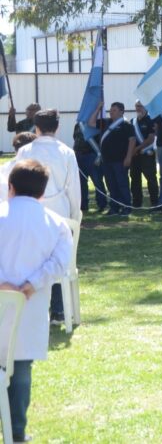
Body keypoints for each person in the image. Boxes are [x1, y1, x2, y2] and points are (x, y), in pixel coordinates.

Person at [0, 159, 74, 444]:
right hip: (29, 306)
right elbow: (60, 263)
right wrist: (31, 285)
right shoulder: (55, 223)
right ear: (43, 192)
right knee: (20, 370)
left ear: (11, 187)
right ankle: (16, 431)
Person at [17, 108, 82, 326]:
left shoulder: (25, 151)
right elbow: (74, 188)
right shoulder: (66, 152)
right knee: (58, 260)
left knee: (31, 261)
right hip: (61, 213)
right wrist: (75, 215)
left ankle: (35, 309)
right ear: (57, 127)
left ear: (36, 127)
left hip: (31, 213)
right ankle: (58, 310)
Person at [89, 101, 135, 216]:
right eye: (110, 110)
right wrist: (98, 108)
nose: (111, 112)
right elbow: (91, 123)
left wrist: (128, 157)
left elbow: (132, 141)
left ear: (121, 111)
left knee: (122, 184)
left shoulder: (126, 124)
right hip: (107, 160)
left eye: (114, 110)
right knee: (111, 185)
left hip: (120, 160)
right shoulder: (106, 122)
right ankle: (114, 207)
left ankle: (127, 207)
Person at [129, 100, 158, 211]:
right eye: (136, 106)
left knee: (151, 179)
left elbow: (151, 138)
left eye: (140, 106)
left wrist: (137, 148)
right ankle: (137, 203)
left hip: (147, 154)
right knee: (135, 179)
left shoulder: (151, 120)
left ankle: (154, 203)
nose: (138, 108)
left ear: (145, 107)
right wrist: (133, 150)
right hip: (135, 156)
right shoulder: (133, 121)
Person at [73, 121, 107, 214]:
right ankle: (83, 205)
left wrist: (99, 156)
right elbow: (75, 138)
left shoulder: (96, 123)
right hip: (79, 155)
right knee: (81, 183)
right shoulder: (78, 125)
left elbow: (100, 140)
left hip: (91, 155)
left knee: (97, 181)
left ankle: (102, 204)